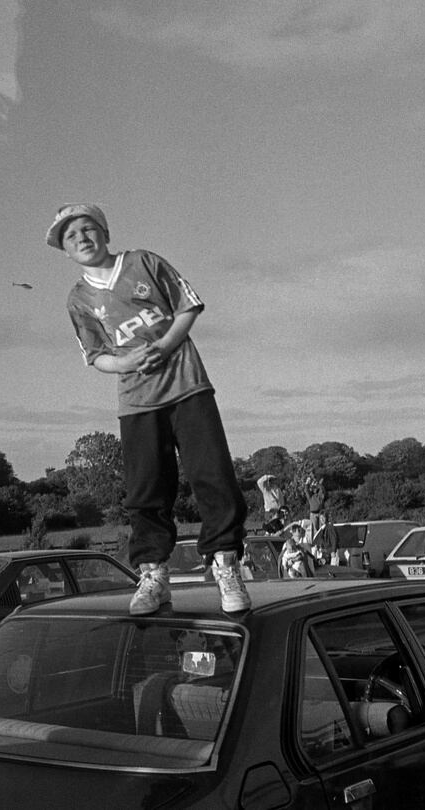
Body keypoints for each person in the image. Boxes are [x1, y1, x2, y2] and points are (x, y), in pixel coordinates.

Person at [51, 203, 249, 615]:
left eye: (88, 229)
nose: (82, 239)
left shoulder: (144, 262)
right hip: (137, 402)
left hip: (187, 386)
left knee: (213, 478)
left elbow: (188, 306)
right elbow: (96, 355)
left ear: (104, 233)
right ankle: (154, 574)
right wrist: (124, 363)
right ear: (65, 251)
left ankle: (226, 564)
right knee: (146, 491)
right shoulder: (78, 298)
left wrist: (163, 346)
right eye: (72, 237)